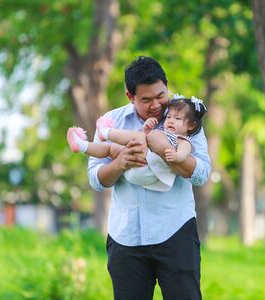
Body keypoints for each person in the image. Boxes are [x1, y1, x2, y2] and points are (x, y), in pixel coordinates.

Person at [87, 56, 210, 299]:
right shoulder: (112, 122)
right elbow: (95, 178)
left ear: (166, 84)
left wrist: (169, 154)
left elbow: (202, 173)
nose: (156, 105)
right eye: (146, 99)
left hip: (175, 231)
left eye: (160, 95)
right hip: (125, 238)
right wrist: (121, 163)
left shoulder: (185, 117)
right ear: (129, 96)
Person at [66, 94, 207, 164]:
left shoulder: (184, 140)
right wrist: (146, 130)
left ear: (190, 126)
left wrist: (177, 156)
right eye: (169, 117)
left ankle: (106, 132)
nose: (170, 120)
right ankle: (82, 145)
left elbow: (184, 152)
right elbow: (147, 141)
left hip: (156, 172)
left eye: (177, 119)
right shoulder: (163, 131)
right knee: (112, 149)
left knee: (137, 138)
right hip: (143, 163)